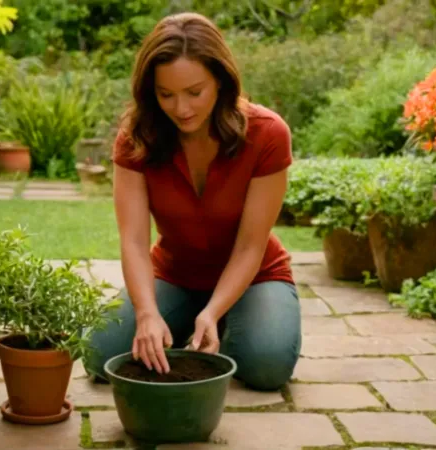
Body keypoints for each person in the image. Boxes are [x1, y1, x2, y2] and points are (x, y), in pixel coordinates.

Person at [82, 12, 301, 392]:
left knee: (264, 366)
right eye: (166, 94)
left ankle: (226, 320)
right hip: (175, 276)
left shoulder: (268, 134)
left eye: (194, 92)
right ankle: (183, 321)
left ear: (220, 80)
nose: (181, 108)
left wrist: (213, 311)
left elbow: (251, 245)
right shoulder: (137, 137)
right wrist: (147, 313)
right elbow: (133, 240)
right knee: (100, 355)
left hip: (255, 277)